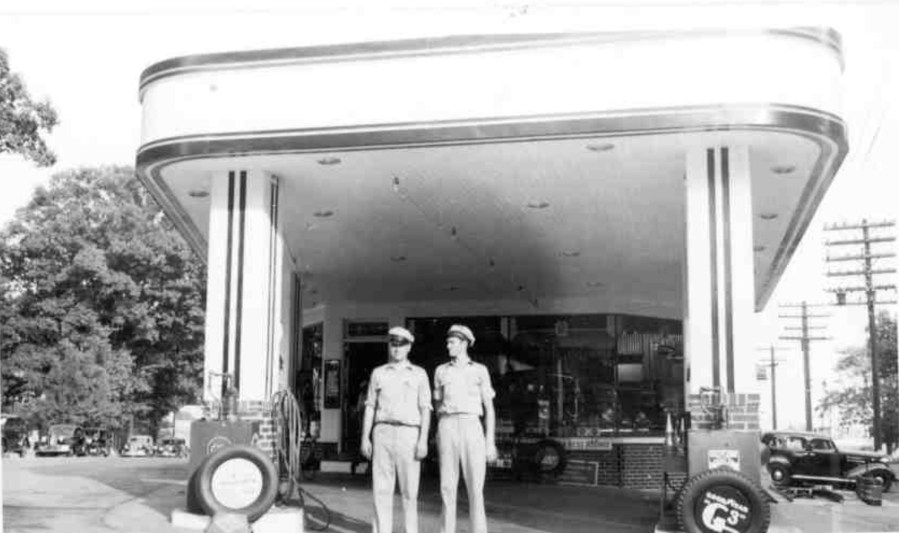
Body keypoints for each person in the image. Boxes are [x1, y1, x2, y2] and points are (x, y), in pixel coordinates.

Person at [360, 326, 432, 533]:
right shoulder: (378, 373)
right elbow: (370, 407)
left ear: (409, 347)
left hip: (409, 434)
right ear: (389, 346)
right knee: (381, 490)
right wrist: (365, 437)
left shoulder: (419, 374)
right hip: (382, 433)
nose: (397, 349)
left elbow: (425, 409)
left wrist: (423, 440)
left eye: (401, 345)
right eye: (393, 344)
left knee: (410, 491)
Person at [433, 324, 497, 533]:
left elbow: (490, 409)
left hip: (472, 425)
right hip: (448, 424)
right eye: (448, 341)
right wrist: (441, 428)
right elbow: (437, 404)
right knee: (447, 487)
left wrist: (489, 443)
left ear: (463, 344)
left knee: (475, 488)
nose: (447, 345)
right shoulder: (441, 371)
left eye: (452, 342)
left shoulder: (480, 370)